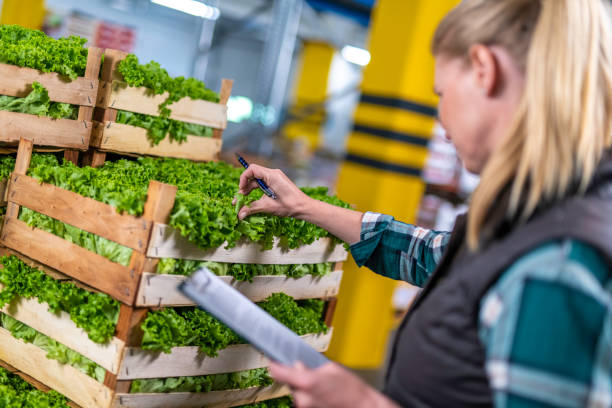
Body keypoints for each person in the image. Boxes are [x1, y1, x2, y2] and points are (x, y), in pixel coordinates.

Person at [235, 0, 612, 407]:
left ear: (484, 71)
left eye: (441, 93)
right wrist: (304, 206)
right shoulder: (533, 215)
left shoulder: (556, 261)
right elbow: (426, 253)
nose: (440, 119)